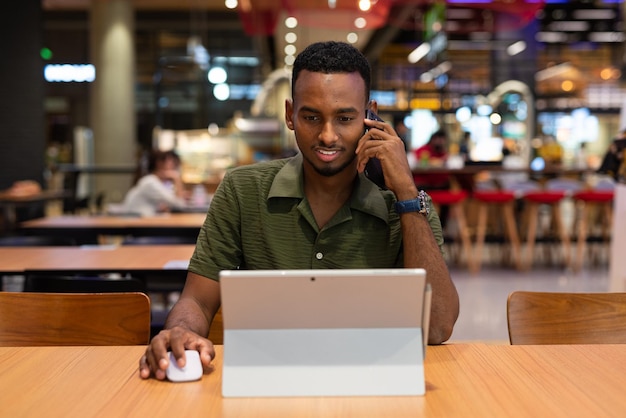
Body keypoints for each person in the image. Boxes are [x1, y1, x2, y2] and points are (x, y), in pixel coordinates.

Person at [139, 41, 459, 380]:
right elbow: (199, 302)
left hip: (373, 382)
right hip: (265, 380)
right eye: (311, 117)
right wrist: (179, 330)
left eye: (345, 118)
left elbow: (437, 328)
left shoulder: (406, 203)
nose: (327, 136)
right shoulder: (241, 190)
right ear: (290, 114)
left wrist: (407, 195)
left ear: (370, 116)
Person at [121, 149, 189, 216]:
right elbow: (179, 205)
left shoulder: (152, 181)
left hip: (143, 222)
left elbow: (168, 204)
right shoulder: (150, 183)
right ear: (159, 163)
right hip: (138, 224)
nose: (175, 167)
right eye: (173, 163)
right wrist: (177, 179)